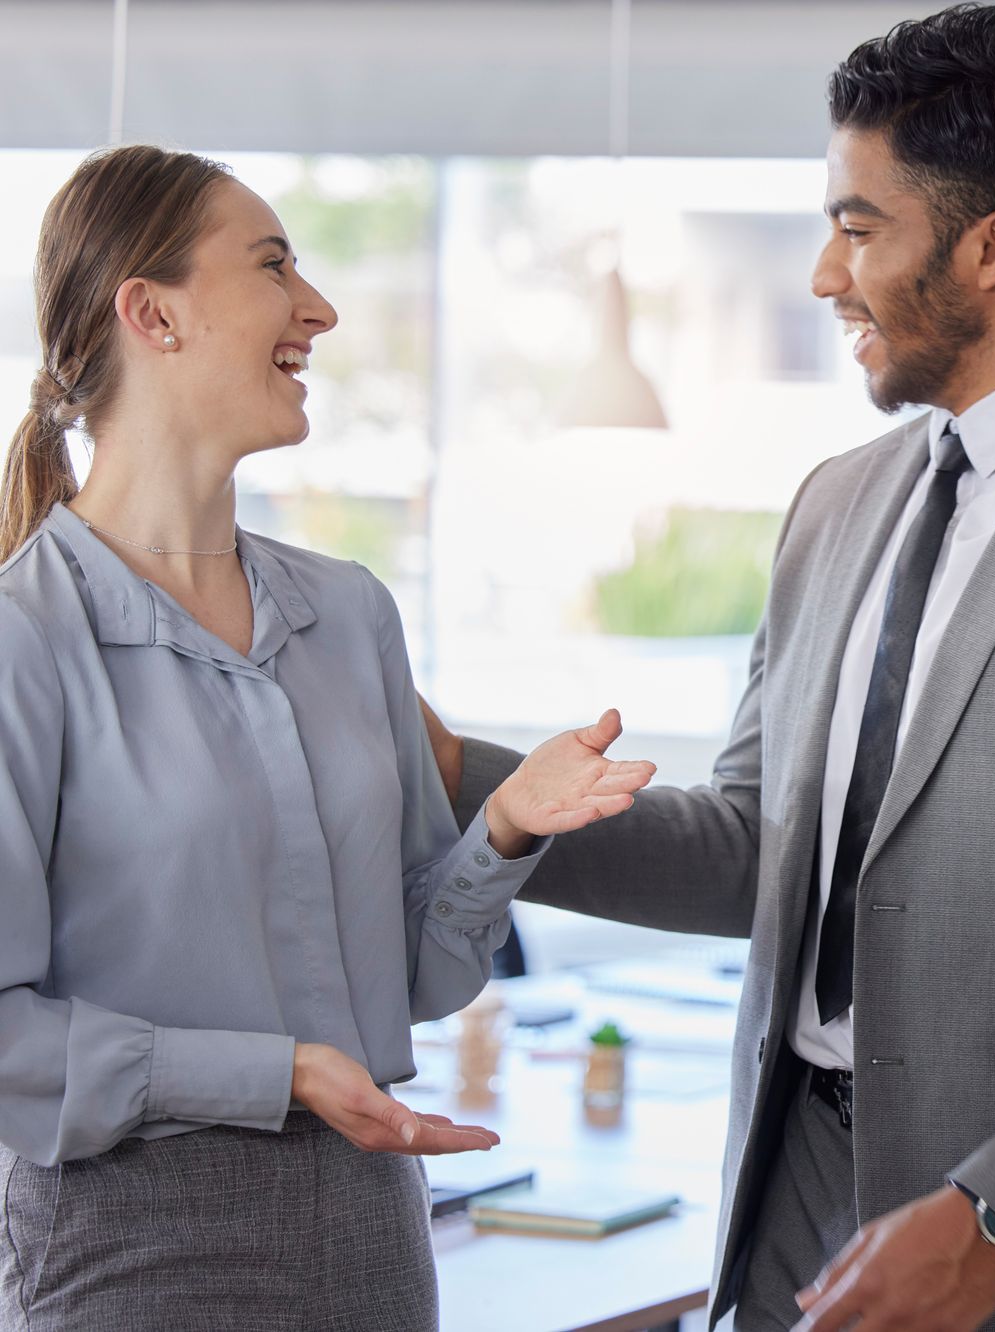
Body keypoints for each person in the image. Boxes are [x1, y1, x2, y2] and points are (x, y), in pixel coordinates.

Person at [423, 6, 995, 1328]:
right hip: (791, 1187)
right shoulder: (836, 505)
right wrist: (457, 773)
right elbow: (751, 850)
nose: (821, 276)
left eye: (859, 229)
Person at [0, 145, 657, 1331]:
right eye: (272, 265)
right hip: (131, 1251)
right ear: (152, 314)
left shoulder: (351, 614)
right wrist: (277, 1074)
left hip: (370, 1234)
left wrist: (503, 831)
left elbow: (403, 982)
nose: (321, 308)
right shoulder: (22, 642)